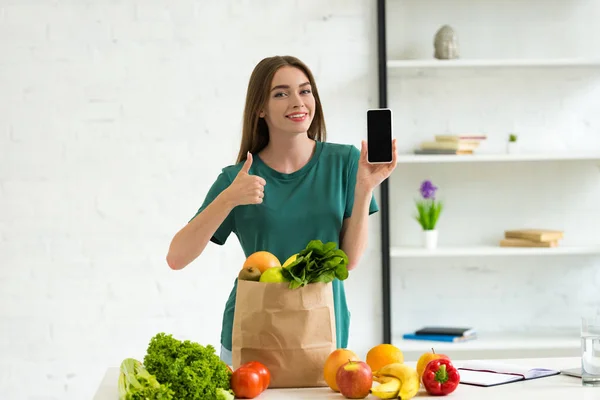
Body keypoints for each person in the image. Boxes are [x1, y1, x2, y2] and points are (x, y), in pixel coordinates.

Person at [166, 55, 398, 365]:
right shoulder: (237, 178)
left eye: (305, 90)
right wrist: (227, 199)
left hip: (322, 332)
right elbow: (176, 257)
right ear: (260, 109)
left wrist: (365, 187)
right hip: (252, 335)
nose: (297, 102)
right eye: (281, 93)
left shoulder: (346, 162)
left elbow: (349, 261)